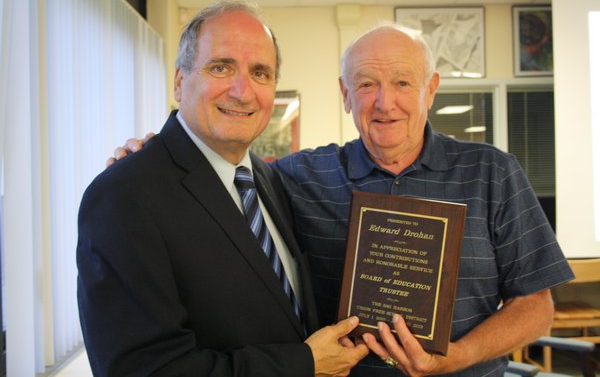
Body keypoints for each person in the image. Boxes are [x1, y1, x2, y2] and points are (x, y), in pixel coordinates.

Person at [109, 23, 574, 376]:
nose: (384, 103)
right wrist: (155, 158)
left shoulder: (492, 172)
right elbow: (219, 182)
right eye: (367, 84)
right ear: (345, 94)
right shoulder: (295, 175)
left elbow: (536, 304)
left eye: (403, 84)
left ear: (430, 90)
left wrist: (459, 356)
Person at [77, 0, 369, 377]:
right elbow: (143, 369)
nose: (242, 91)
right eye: (221, 67)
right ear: (180, 82)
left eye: (261, 73)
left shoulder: (268, 179)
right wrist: (304, 364)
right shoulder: (123, 195)